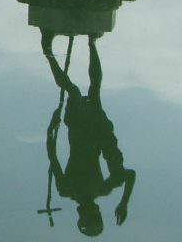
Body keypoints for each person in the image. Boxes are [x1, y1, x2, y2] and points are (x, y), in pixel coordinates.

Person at [42, 31, 136, 237]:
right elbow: (129, 175)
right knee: (92, 90)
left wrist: (52, 126)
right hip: (92, 132)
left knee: (76, 90)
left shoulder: (68, 189)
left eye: (91, 214)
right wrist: (124, 202)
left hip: (78, 129)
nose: (92, 210)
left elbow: (52, 156)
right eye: (93, 214)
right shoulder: (100, 188)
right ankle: (90, 43)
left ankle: (49, 51)